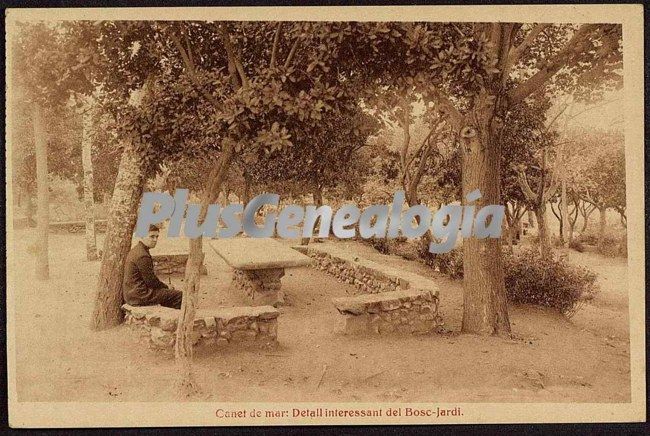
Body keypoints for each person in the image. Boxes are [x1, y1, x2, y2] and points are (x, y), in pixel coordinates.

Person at [122, 224, 183, 309]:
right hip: (140, 296)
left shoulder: (138, 250)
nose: (155, 240)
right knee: (179, 295)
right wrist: (166, 287)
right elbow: (151, 281)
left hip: (133, 294)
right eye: (152, 236)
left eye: (157, 237)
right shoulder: (142, 255)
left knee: (167, 295)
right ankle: (178, 320)